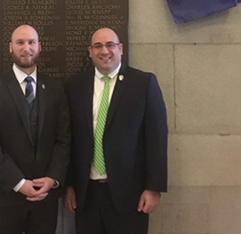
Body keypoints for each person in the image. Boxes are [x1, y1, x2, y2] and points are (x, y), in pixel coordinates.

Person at [64, 28, 168, 234]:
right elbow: (68, 139)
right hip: (87, 195)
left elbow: (156, 138)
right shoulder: (74, 86)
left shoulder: (143, 83)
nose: (105, 51)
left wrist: (153, 187)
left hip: (130, 195)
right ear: (90, 51)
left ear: (120, 48)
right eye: (98, 46)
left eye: (110, 45)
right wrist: (68, 185)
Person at [0, 25, 70, 234]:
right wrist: (18, 182)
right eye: (20, 42)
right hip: (3, 193)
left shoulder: (56, 89)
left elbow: (64, 139)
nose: (26, 48)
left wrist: (53, 178)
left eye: (31, 42)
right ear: (10, 47)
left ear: (39, 47)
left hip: (45, 195)